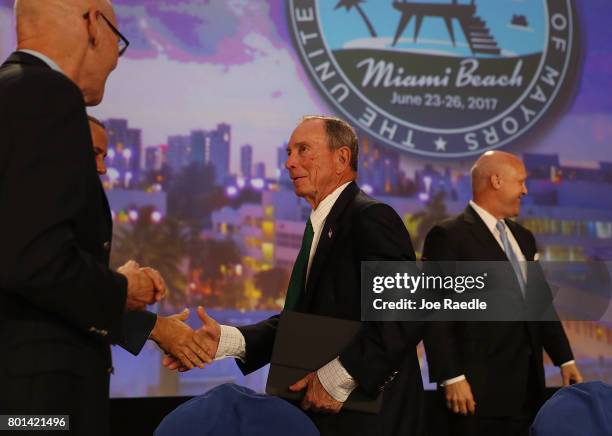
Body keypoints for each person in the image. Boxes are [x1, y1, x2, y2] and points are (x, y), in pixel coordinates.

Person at [165, 116, 426, 436]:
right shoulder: (322, 224)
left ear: (342, 158)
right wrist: (228, 341)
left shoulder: (371, 218)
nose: (290, 162)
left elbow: (402, 314)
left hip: (371, 420)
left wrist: (338, 376)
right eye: (289, 152)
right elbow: (303, 323)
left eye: (303, 150)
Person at [0, 1, 161, 434]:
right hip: (38, 402)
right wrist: (123, 289)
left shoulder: (10, 91)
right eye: (118, 42)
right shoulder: (46, 94)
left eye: (302, 151)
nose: (115, 58)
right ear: (93, 23)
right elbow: (34, 260)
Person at [422, 151, 583, 436]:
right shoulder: (448, 236)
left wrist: (565, 359)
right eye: (520, 182)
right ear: (496, 180)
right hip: (476, 393)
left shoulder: (523, 237)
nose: (525, 189)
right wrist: (451, 375)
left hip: (528, 391)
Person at [87, 115, 215, 369]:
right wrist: (125, 287)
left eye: (104, 156)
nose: (102, 168)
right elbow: (57, 287)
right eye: (93, 153)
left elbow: (74, 295)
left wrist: (154, 325)